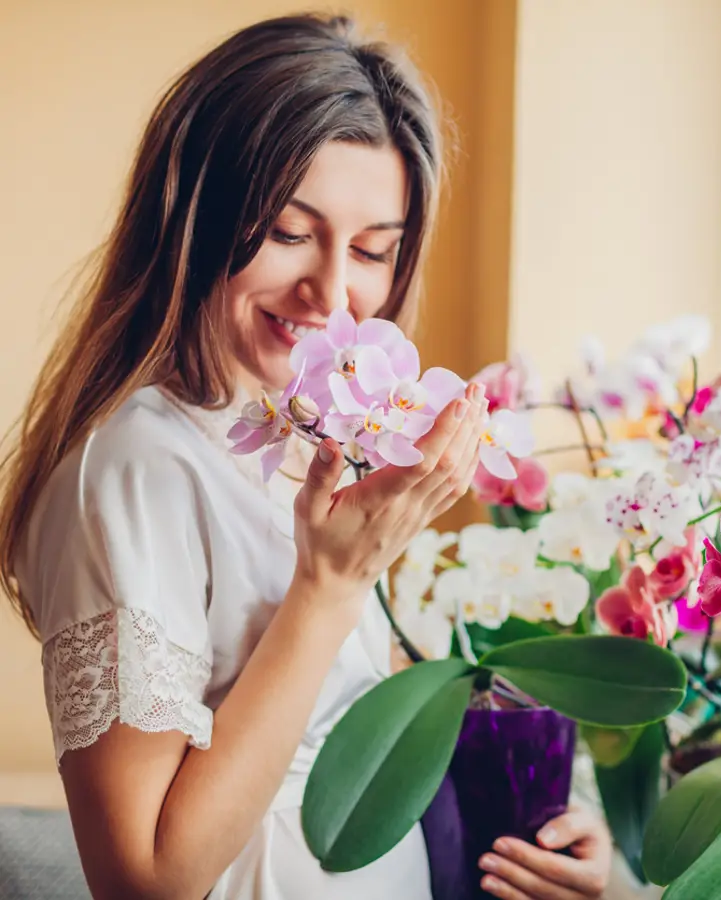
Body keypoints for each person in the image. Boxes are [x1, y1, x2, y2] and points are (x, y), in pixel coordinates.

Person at [0, 14, 610, 900]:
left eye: (372, 251)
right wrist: (331, 586)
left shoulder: (298, 442)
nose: (333, 293)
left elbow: (342, 751)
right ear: (193, 218)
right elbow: (145, 882)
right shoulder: (136, 469)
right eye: (289, 232)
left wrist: (537, 835)